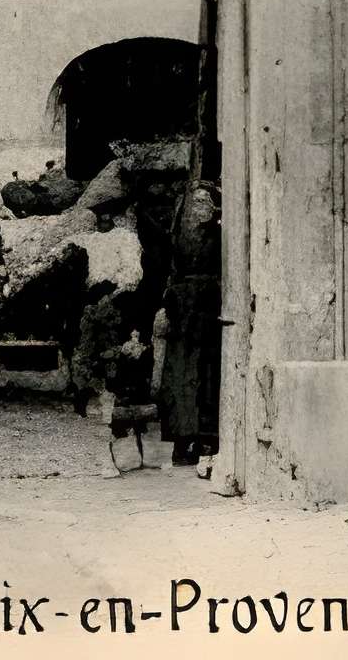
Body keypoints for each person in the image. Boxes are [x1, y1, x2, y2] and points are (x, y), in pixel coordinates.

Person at [158, 183, 227, 483]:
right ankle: (179, 439)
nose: (199, 207)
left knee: (204, 377)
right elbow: (171, 269)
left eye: (204, 201)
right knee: (178, 377)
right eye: (195, 202)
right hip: (181, 311)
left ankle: (203, 440)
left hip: (205, 312)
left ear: (214, 207)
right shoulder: (180, 236)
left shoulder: (219, 236)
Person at [73, 267, 157, 478]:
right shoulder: (97, 315)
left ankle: (123, 453)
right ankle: (118, 453)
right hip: (106, 367)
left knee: (118, 411)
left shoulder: (107, 314)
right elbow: (91, 350)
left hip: (113, 368)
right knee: (113, 410)